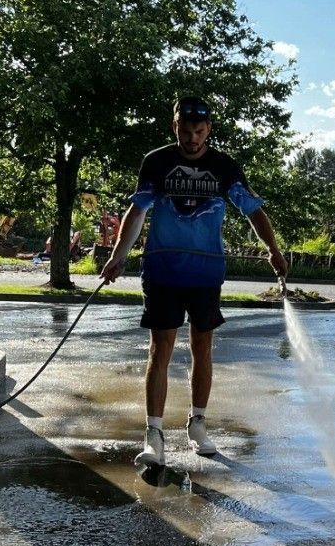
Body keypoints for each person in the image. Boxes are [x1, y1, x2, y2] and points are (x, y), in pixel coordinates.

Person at [100, 96, 288, 468]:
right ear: (175, 128)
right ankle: (154, 433)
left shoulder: (223, 167)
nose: (191, 139)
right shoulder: (157, 162)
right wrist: (117, 256)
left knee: (203, 347)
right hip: (163, 271)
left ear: (209, 130)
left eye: (199, 132)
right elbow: (137, 211)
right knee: (161, 349)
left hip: (205, 273)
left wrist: (273, 249)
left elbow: (253, 211)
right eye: (185, 132)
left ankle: (197, 424)